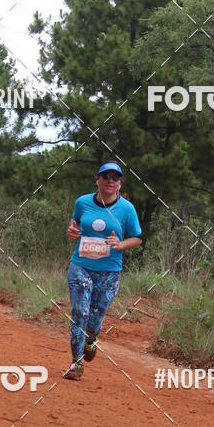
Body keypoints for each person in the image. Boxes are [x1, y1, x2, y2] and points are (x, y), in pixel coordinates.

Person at [64, 162, 142, 380]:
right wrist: (72, 231)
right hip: (81, 266)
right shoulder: (83, 202)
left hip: (109, 272)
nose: (110, 181)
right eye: (105, 176)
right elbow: (74, 225)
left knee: (94, 321)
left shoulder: (127, 209)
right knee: (80, 312)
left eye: (115, 178)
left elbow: (136, 238)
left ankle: (91, 339)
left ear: (120, 184)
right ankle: (76, 364)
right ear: (97, 179)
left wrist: (119, 245)